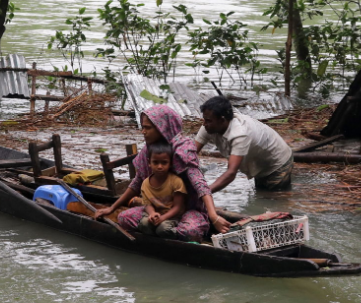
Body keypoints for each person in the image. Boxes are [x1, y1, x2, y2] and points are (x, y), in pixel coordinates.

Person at [94, 104, 233, 237]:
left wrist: (213, 216)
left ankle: (166, 232)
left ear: (162, 128)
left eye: (148, 128)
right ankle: (161, 232)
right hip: (156, 209)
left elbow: (200, 185)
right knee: (124, 218)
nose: (143, 131)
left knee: (190, 231)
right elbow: (137, 183)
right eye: (143, 127)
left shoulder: (182, 151)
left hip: (186, 210)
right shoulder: (148, 151)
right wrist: (111, 208)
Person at [196, 95, 294, 192]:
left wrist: (204, 193)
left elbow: (230, 173)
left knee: (274, 200)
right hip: (260, 160)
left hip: (278, 161)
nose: (204, 124)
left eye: (208, 120)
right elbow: (189, 154)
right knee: (261, 195)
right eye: (204, 119)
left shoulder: (239, 134)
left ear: (222, 120)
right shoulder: (208, 126)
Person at [135, 143, 187, 237]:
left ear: (170, 163)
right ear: (149, 163)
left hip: (171, 216)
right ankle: (152, 242)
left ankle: (175, 238)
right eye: (155, 162)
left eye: (164, 163)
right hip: (154, 214)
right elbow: (147, 204)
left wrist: (163, 218)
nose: (159, 166)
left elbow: (178, 207)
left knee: (163, 229)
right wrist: (152, 214)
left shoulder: (176, 182)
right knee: (144, 224)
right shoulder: (145, 184)